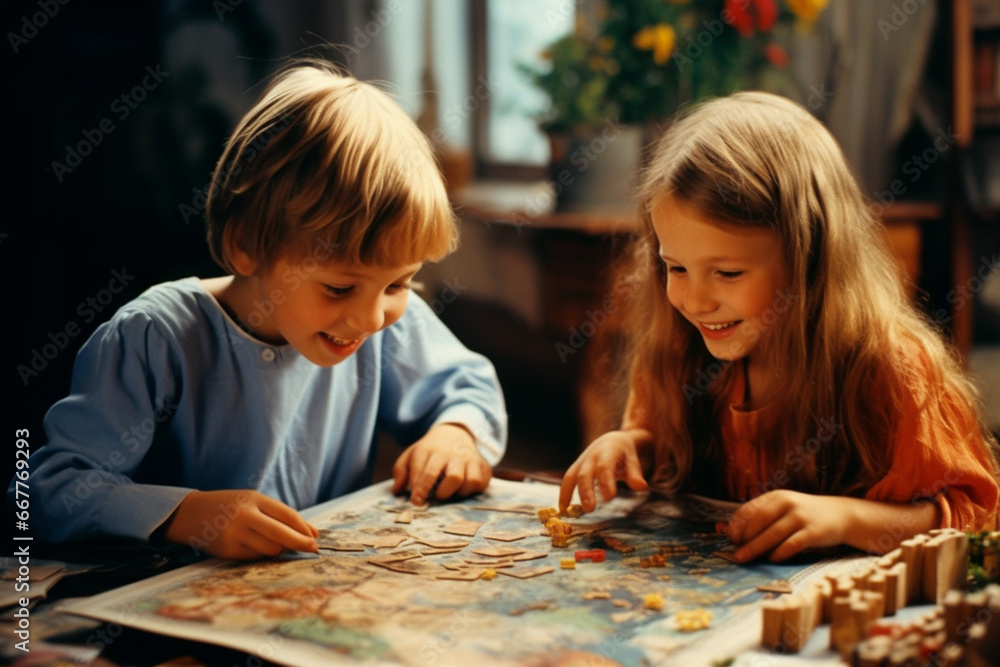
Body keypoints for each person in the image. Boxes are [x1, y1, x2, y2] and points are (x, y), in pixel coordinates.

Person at [14, 61, 507, 560]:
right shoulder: (154, 336)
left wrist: (457, 434)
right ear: (247, 245)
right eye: (338, 288)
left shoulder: (378, 319)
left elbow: (468, 388)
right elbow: (43, 494)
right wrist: (184, 514)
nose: (372, 318)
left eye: (400, 283)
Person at [559, 91, 1000, 563]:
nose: (694, 300)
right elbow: (662, 441)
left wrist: (846, 519)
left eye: (728, 273)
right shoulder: (678, 343)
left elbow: (976, 519)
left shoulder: (891, 368)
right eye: (675, 268)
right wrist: (632, 447)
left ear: (808, 261)